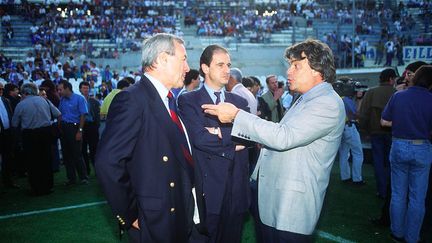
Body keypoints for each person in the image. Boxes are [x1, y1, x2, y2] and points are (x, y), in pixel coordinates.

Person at [202, 39, 345, 243]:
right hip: (276, 201)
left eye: (296, 66)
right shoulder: (307, 99)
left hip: (291, 208)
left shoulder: (326, 103)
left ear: (317, 69)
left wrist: (237, 116)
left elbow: (283, 137)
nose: (288, 72)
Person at [95, 33, 196, 243]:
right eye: (183, 59)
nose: (187, 68)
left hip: (177, 211)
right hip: (155, 218)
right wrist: (130, 214)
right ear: (161, 59)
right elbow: (108, 162)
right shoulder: (133, 99)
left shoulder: (168, 100)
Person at [178, 44, 250, 243]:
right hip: (208, 190)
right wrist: (234, 140)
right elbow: (199, 139)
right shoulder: (188, 101)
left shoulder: (240, 103)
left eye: (228, 64)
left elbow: (251, 137)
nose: (227, 70)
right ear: (205, 68)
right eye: (220, 65)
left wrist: (218, 133)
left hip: (237, 189)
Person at [381, 65, 432, 243]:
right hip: (422, 148)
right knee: (418, 197)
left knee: (398, 194)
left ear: (415, 78)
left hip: (399, 145)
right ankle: (412, 238)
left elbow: (384, 121)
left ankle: (397, 234)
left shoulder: (399, 95)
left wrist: (402, 123)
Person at [11, 83, 61, 196]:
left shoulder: (21, 104)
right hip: (45, 132)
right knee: (46, 160)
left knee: (33, 162)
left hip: (30, 135)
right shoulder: (44, 100)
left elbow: (14, 123)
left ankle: (36, 188)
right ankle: (48, 186)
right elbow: (58, 113)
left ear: (24, 93)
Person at [359, 68, 397, 199]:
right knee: (391, 163)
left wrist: (363, 130)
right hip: (393, 133)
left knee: (379, 162)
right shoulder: (396, 93)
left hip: (375, 132)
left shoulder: (371, 92)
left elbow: (363, 114)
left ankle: (382, 190)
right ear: (391, 79)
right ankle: (390, 190)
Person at [57, 80, 89, 185]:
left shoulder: (79, 99)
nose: (59, 91)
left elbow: (83, 115)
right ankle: (71, 178)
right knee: (67, 155)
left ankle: (83, 177)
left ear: (67, 88)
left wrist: (80, 131)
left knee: (77, 154)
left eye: (60, 89)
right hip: (64, 128)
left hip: (75, 128)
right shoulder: (62, 100)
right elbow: (60, 114)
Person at [79, 81, 100, 176]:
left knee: (94, 150)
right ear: (80, 89)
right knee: (83, 150)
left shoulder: (94, 101)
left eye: (87, 88)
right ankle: (86, 171)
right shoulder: (78, 100)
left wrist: (96, 125)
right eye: (84, 88)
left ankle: (97, 170)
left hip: (92, 126)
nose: (86, 90)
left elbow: (98, 116)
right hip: (82, 126)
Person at [0, 82, 18, 189]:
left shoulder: (6, 101)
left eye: (2, 88)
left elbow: (11, 116)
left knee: (8, 158)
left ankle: (8, 181)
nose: (1, 90)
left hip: (7, 134)